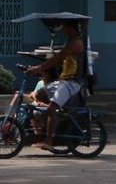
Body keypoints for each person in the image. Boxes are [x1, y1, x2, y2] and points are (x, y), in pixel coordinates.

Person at [26, 19, 86, 151]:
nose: (63, 29)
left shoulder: (76, 43)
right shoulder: (68, 42)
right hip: (63, 80)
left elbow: (58, 58)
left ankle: (49, 140)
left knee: (51, 109)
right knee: (39, 95)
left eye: (65, 27)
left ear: (72, 28)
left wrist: (38, 68)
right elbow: (59, 58)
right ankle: (51, 123)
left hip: (71, 82)